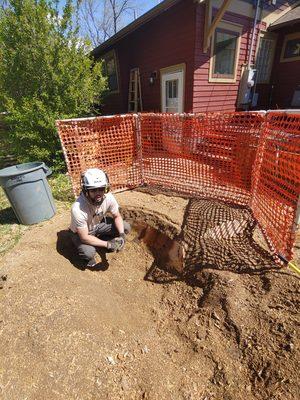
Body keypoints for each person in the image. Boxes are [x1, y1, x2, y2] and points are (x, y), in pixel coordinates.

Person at [69, 168, 130, 267]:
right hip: (81, 233)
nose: (98, 193)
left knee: (125, 227)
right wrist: (108, 244)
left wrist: (122, 234)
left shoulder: (108, 197)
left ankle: (101, 240)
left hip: (97, 226)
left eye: (101, 189)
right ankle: (90, 251)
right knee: (89, 253)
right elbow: (84, 237)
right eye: (93, 190)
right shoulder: (78, 208)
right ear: (86, 190)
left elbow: (117, 216)